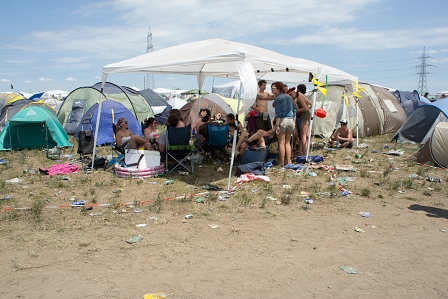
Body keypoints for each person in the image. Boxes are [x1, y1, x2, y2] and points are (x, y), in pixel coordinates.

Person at [272, 81, 294, 166]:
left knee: (281, 143)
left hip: (282, 120)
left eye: (274, 88)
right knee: (287, 142)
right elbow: (293, 109)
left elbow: (278, 113)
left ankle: (282, 163)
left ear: (278, 88)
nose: (272, 90)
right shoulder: (288, 97)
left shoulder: (278, 99)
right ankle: (289, 161)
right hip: (290, 120)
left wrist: (277, 125)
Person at [296, 84, 312, 155]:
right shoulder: (304, 96)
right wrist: (307, 109)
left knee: (303, 136)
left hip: (304, 117)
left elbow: (305, 108)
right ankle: (307, 152)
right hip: (307, 116)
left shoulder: (299, 96)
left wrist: (297, 110)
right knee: (307, 136)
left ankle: (305, 154)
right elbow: (311, 104)